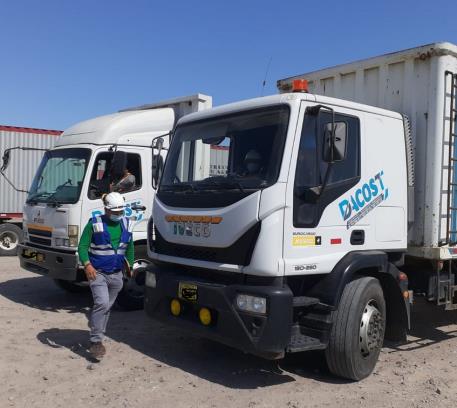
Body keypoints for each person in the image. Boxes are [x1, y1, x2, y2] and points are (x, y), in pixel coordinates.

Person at [78, 192, 134, 359]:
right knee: (102, 303)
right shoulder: (94, 223)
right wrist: (87, 265)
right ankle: (96, 341)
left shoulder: (127, 223)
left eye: (120, 211)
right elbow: (82, 246)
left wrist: (130, 266)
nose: (118, 214)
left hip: (117, 275)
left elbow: (129, 246)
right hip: (98, 273)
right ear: (106, 209)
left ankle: (99, 335)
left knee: (106, 307)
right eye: (115, 211)